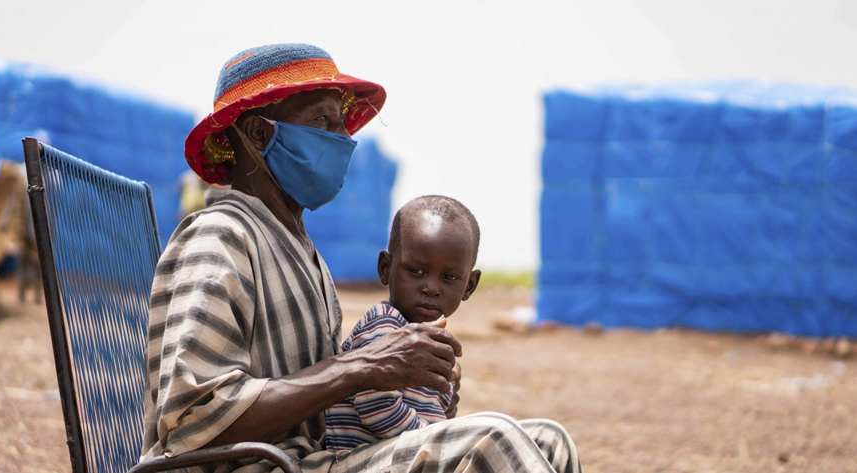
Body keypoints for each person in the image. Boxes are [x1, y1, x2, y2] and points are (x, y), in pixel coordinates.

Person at [140, 43, 582, 473]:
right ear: (259, 133)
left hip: (312, 459)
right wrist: (364, 367)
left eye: (342, 125)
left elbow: (333, 403)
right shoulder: (219, 238)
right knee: (492, 438)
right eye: (324, 122)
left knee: (549, 440)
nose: (343, 140)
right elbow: (190, 424)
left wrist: (414, 390)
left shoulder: (294, 247)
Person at [324, 195, 482, 451]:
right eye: (416, 271)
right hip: (363, 462)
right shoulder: (385, 326)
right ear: (386, 268)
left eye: (449, 277)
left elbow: (432, 413)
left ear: (469, 286)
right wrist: (432, 443)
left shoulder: (434, 340)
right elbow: (375, 405)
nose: (431, 288)